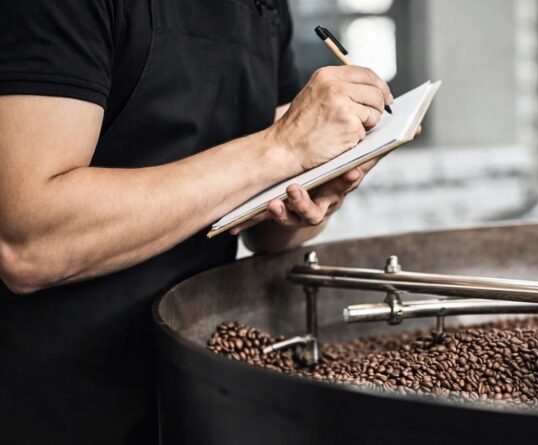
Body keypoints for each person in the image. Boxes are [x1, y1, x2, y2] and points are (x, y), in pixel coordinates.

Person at [0, 0, 395, 443]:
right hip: (56, 395)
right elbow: (27, 242)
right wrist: (280, 149)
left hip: (193, 371)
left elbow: (269, 234)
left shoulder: (265, 7)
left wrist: (320, 190)